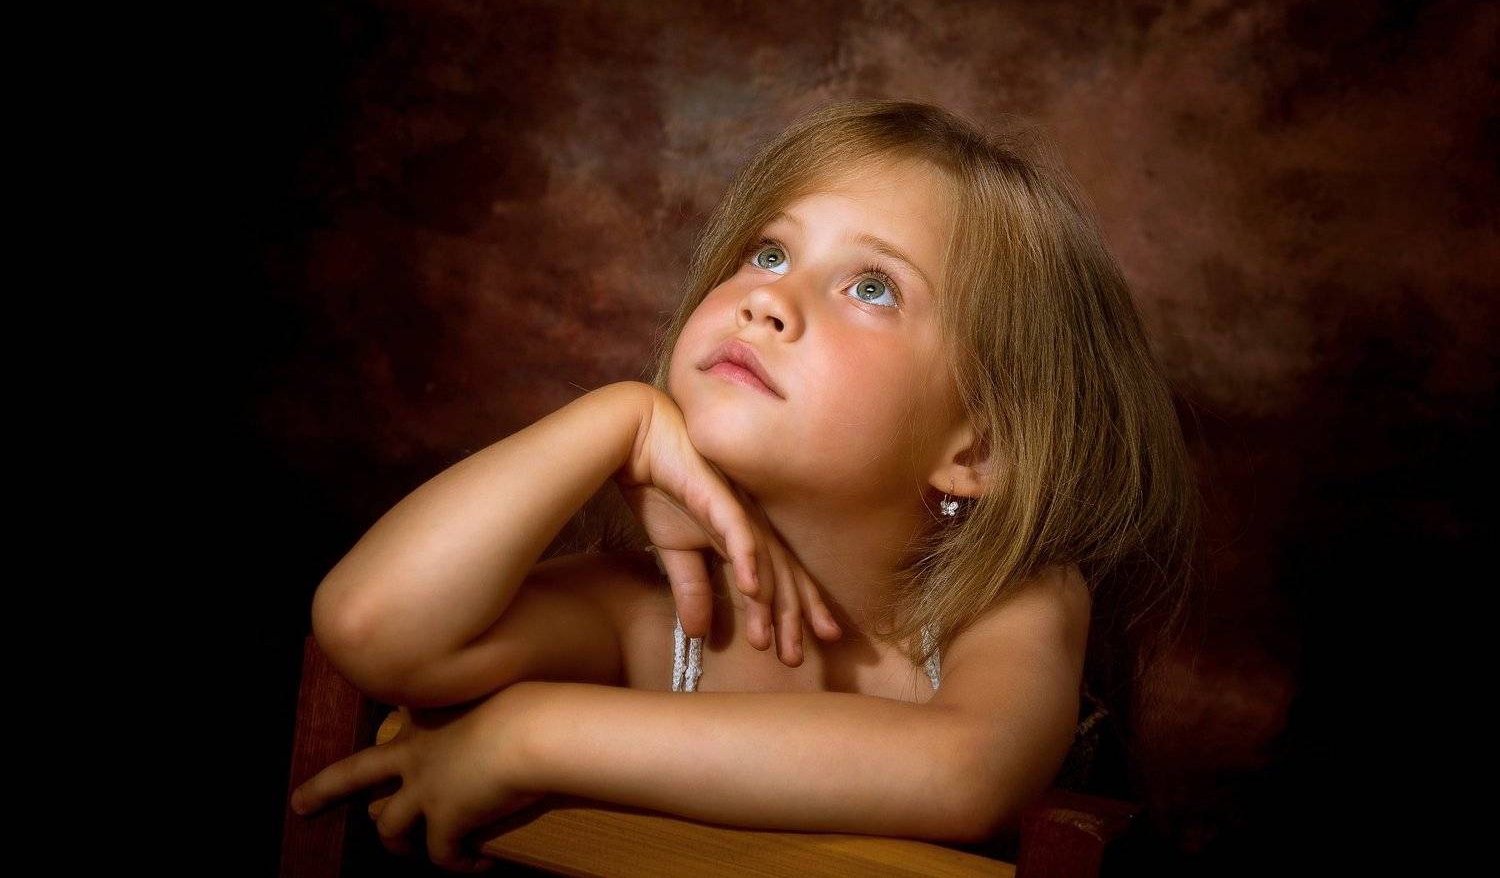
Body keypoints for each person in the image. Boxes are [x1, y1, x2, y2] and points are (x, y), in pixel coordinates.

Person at [289, 98, 1202, 873]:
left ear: (980, 448)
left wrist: (527, 733)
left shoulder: (1014, 605)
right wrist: (615, 419)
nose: (767, 298)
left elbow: (962, 771)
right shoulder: (650, 615)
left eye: (872, 287)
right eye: (768, 253)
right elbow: (370, 629)